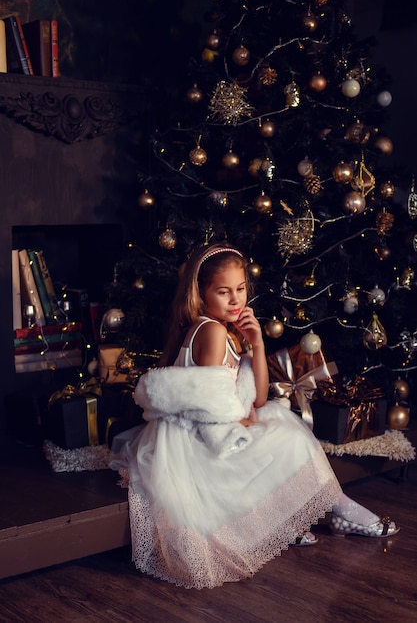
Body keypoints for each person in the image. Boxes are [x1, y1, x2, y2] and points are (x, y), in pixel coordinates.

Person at [110, 241, 399, 590]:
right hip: (200, 442)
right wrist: (243, 420)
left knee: (278, 421)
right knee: (286, 435)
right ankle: (341, 510)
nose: (235, 300)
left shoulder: (229, 331)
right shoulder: (211, 331)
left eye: (241, 289)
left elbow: (258, 396)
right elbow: (210, 405)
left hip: (216, 430)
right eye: (223, 292)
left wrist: (257, 343)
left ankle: (314, 514)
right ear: (201, 296)